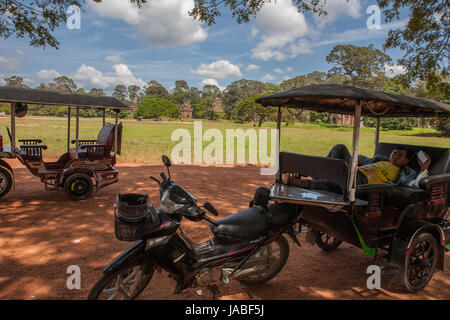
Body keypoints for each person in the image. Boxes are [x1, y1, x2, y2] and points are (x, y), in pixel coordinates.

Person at [282, 144, 431, 192]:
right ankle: (316, 173)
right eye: (394, 153)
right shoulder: (380, 159)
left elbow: (412, 185)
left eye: (400, 155)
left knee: (337, 182)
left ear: (406, 161)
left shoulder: (406, 172)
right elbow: (360, 159)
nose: (395, 156)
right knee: (340, 148)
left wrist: (424, 169)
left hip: (364, 185)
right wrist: (353, 160)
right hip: (355, 173)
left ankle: (300, 181)